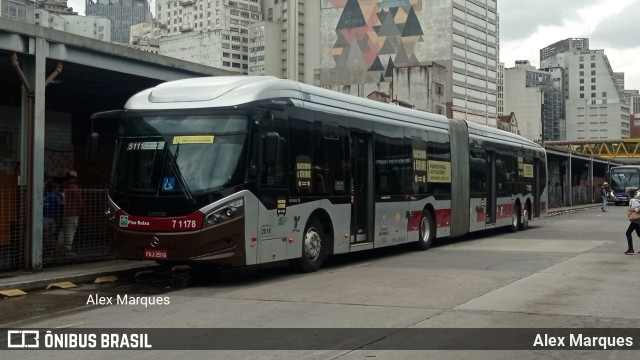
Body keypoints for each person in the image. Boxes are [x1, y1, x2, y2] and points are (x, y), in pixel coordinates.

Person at [57, 170, 83, 257]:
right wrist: (81, 206)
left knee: (63, 229)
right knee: (71, 230)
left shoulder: (63, 185)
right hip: (73, 212)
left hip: (64, 211)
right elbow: (78, 199)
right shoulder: (74, 186)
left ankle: (59, 247)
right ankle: (67, 249)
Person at [43, 181, 63, 254]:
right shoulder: (54, 196)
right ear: (54, 188)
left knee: (43, 234)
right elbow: (61, 204)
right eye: (57, 188)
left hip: (41, 217)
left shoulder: (43, 194)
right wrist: (62, 196)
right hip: (50, 218)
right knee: (50, 234)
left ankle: (43, 248)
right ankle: (49, 250)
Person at [624, 189, 640, 255]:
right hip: (636, 221)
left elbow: (639, 207)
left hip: (637, 221)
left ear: (629, 195)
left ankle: (631, 249)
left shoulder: (633, 200)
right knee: (639, 234)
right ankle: (630, 249)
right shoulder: (634, 200)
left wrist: (633, 209)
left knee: (628, 233)